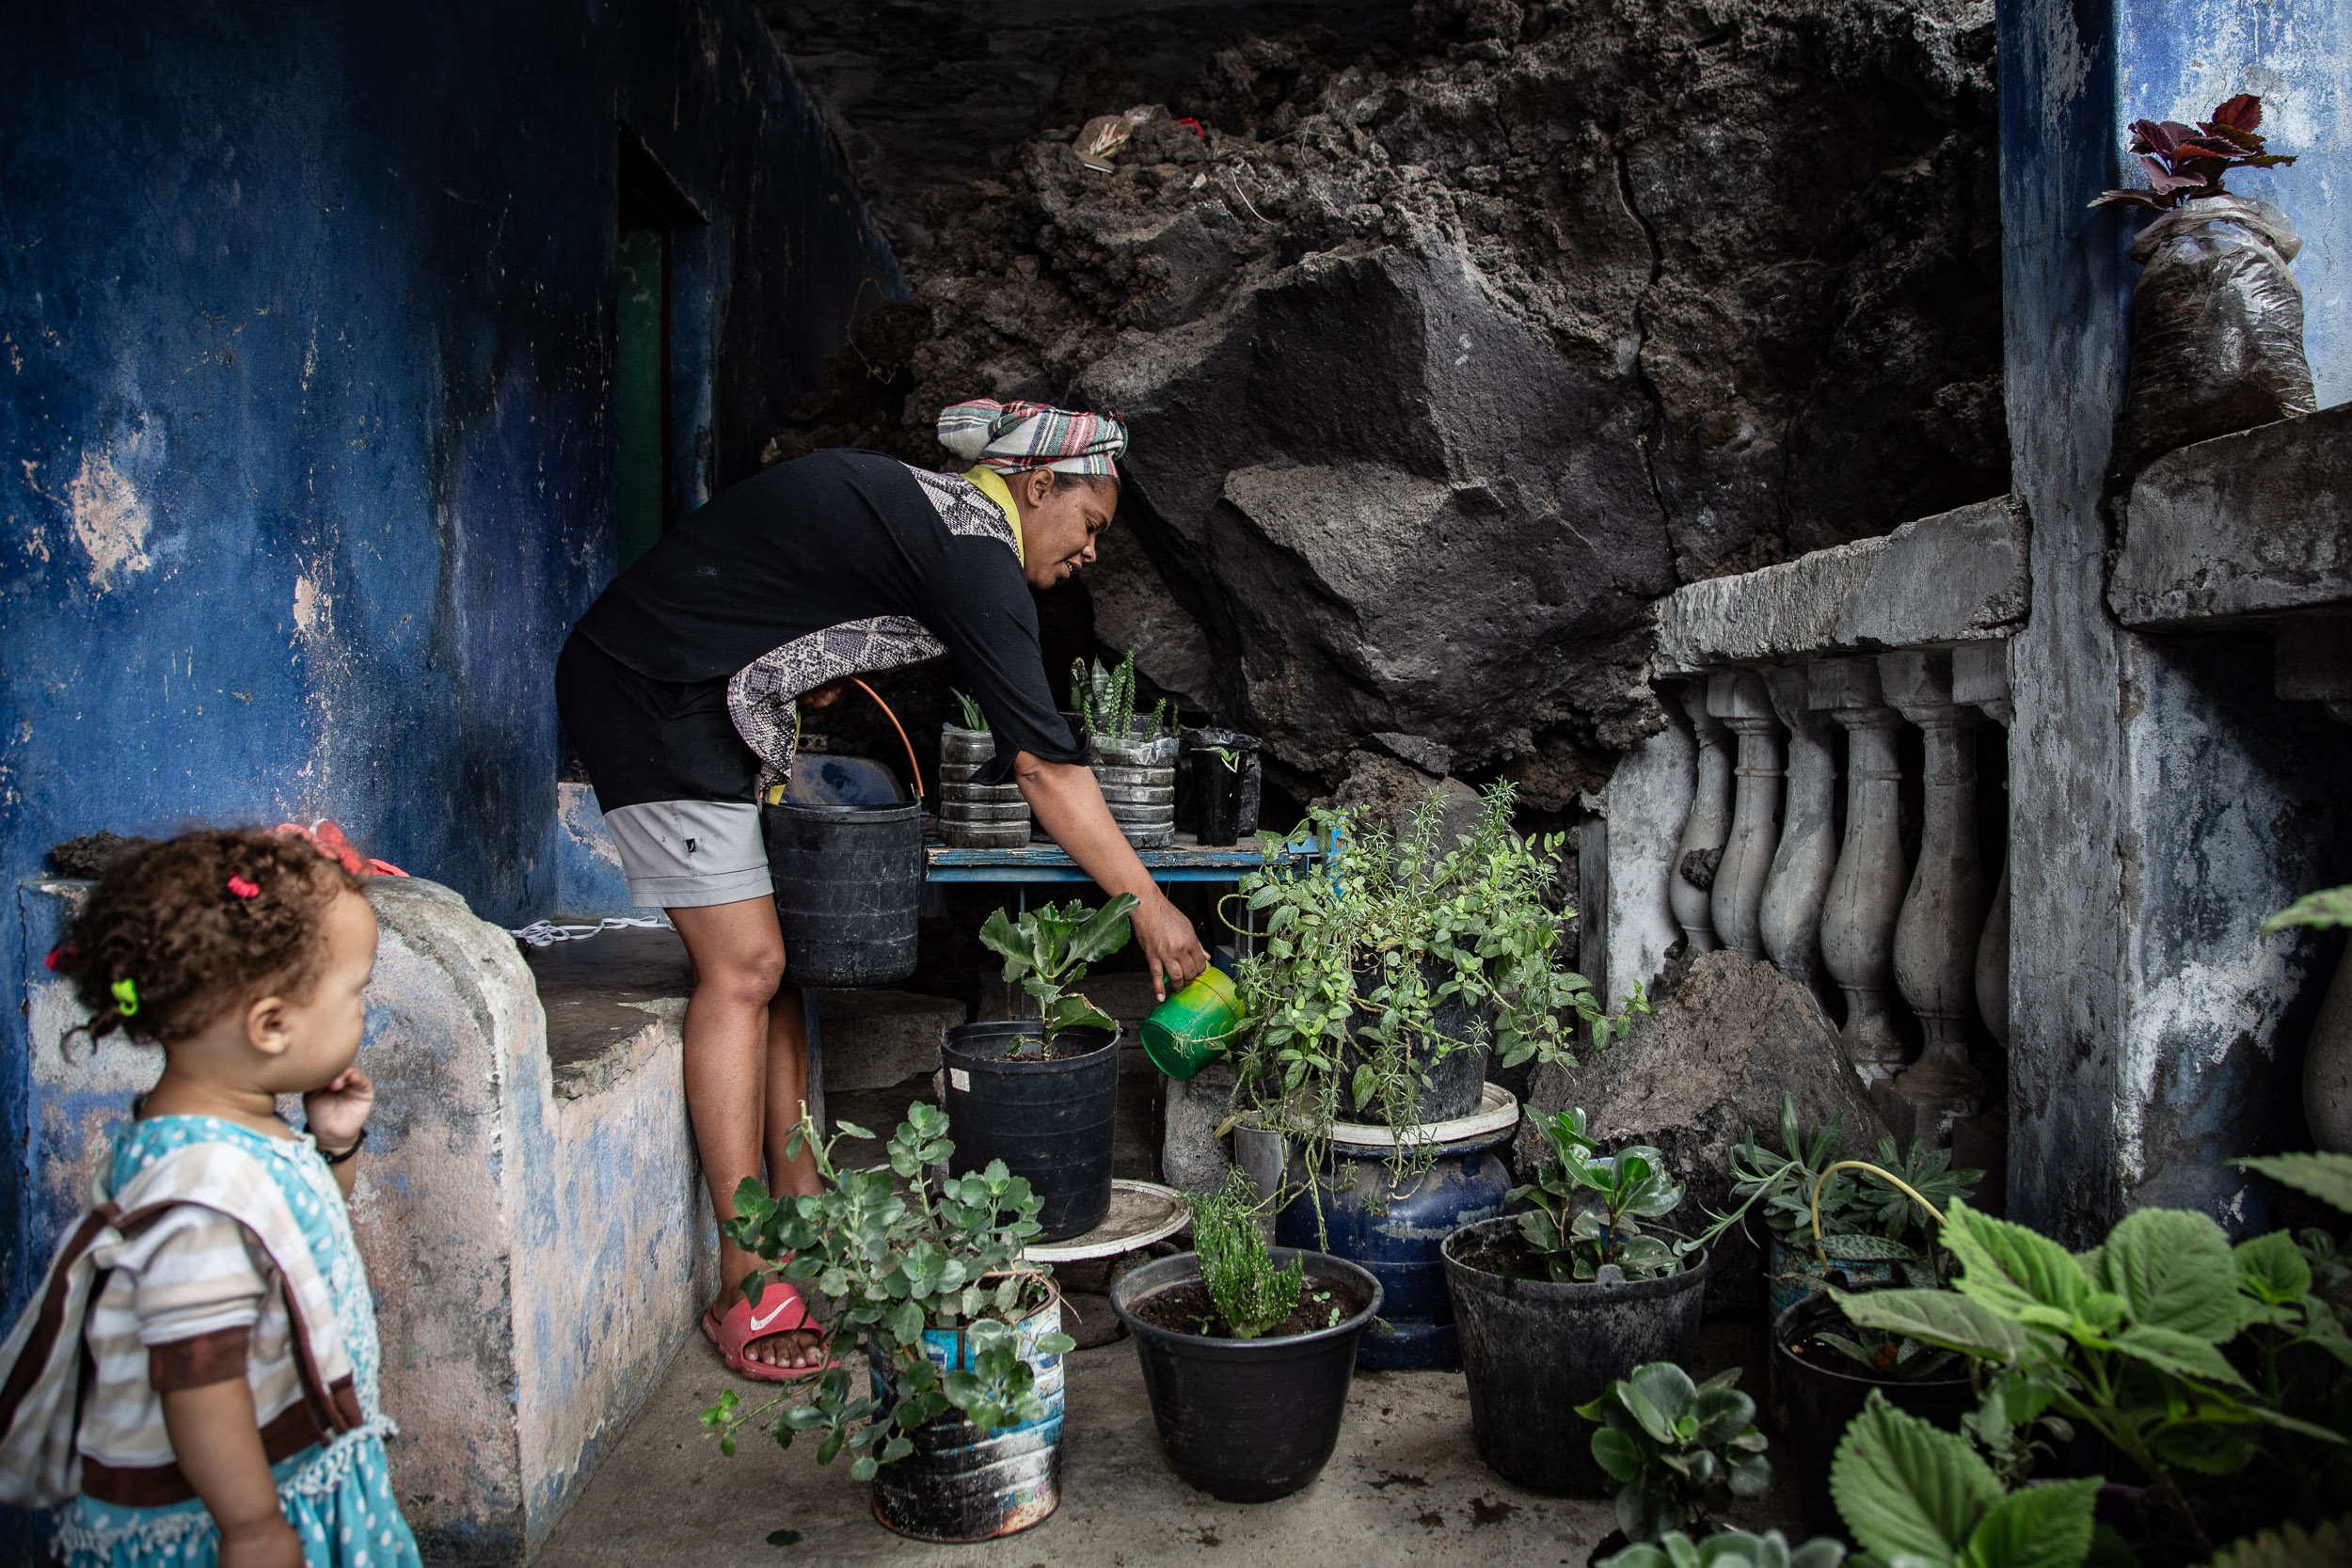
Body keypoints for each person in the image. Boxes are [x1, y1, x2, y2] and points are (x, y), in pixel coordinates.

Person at [554, 399, 1210, 1377]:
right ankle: (744, 1275)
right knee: (745, 968)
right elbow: (1044, 766)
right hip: (650, 687)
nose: (1090, 552)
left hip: (693, 683)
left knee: (779, 970)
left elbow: (782, 581)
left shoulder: (947, 525)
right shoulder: (975, 552)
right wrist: (1150, 906)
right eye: (1089, 524)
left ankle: (804, 1205)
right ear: (1038, 485)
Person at [0, 829, 419, 1568]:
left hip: (292, 1472)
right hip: (229, 1513)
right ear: (272, 1025)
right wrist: (251, 1524)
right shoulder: (198, 1190)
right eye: (356, 991)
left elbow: (294, 1238)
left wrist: (332, 1145)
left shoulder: (231, 1138)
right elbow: (200, 1375)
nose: (361, 1008)